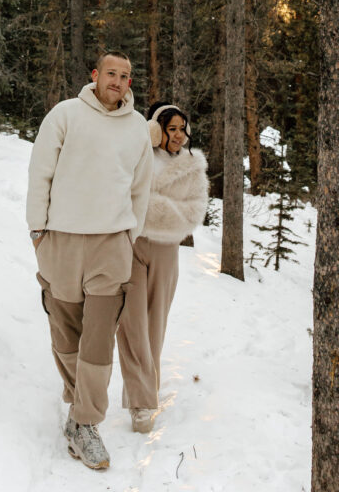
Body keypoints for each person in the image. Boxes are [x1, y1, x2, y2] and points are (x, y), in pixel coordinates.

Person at [26, 51, 153, 470]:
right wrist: (38, 231)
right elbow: (40, 172)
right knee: (65, 333)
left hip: (111, 245)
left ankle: (85, 422)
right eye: (111, 73)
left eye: (126, 76)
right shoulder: (65, 115)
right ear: (95, 75)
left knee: (98, 337)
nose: (118, 80)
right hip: (61, 240)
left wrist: (128, 235)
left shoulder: (137, 128)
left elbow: (141, 188)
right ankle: (77, 405)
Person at [116, 101, 209, 434]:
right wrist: (159, 210)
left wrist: (146, 208)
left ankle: (145, 393)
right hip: (132, 246)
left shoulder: (193, 166)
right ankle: (140, 403)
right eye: (171, 129)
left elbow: (193, 214)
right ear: (155, 129)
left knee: (154, 327)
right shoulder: (137, 156)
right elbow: (119, 195)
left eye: (183, 129)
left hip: (167, 252)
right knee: (131, 324)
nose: (179, 135)